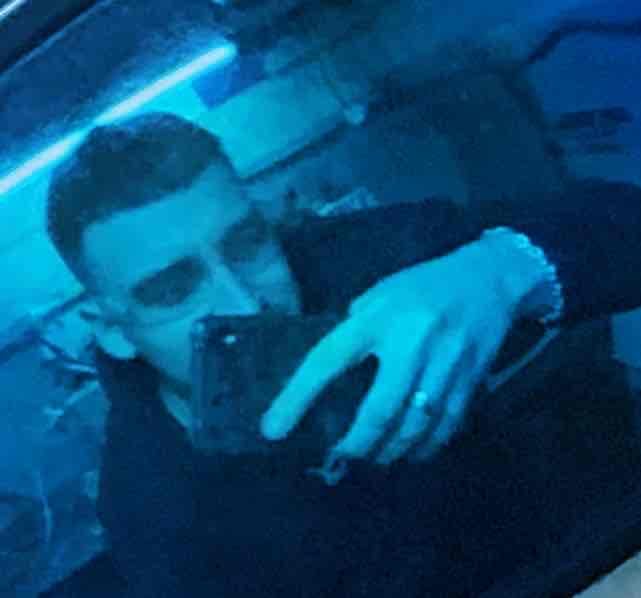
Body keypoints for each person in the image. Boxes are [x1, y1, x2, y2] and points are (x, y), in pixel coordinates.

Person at [41, 112, 641, 597]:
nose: (244, 304)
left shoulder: (363, 257)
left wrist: (503, 269)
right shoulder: (150, 508)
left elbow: (624, 222)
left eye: (247, 243)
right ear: (111, 330)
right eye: (173, 289)